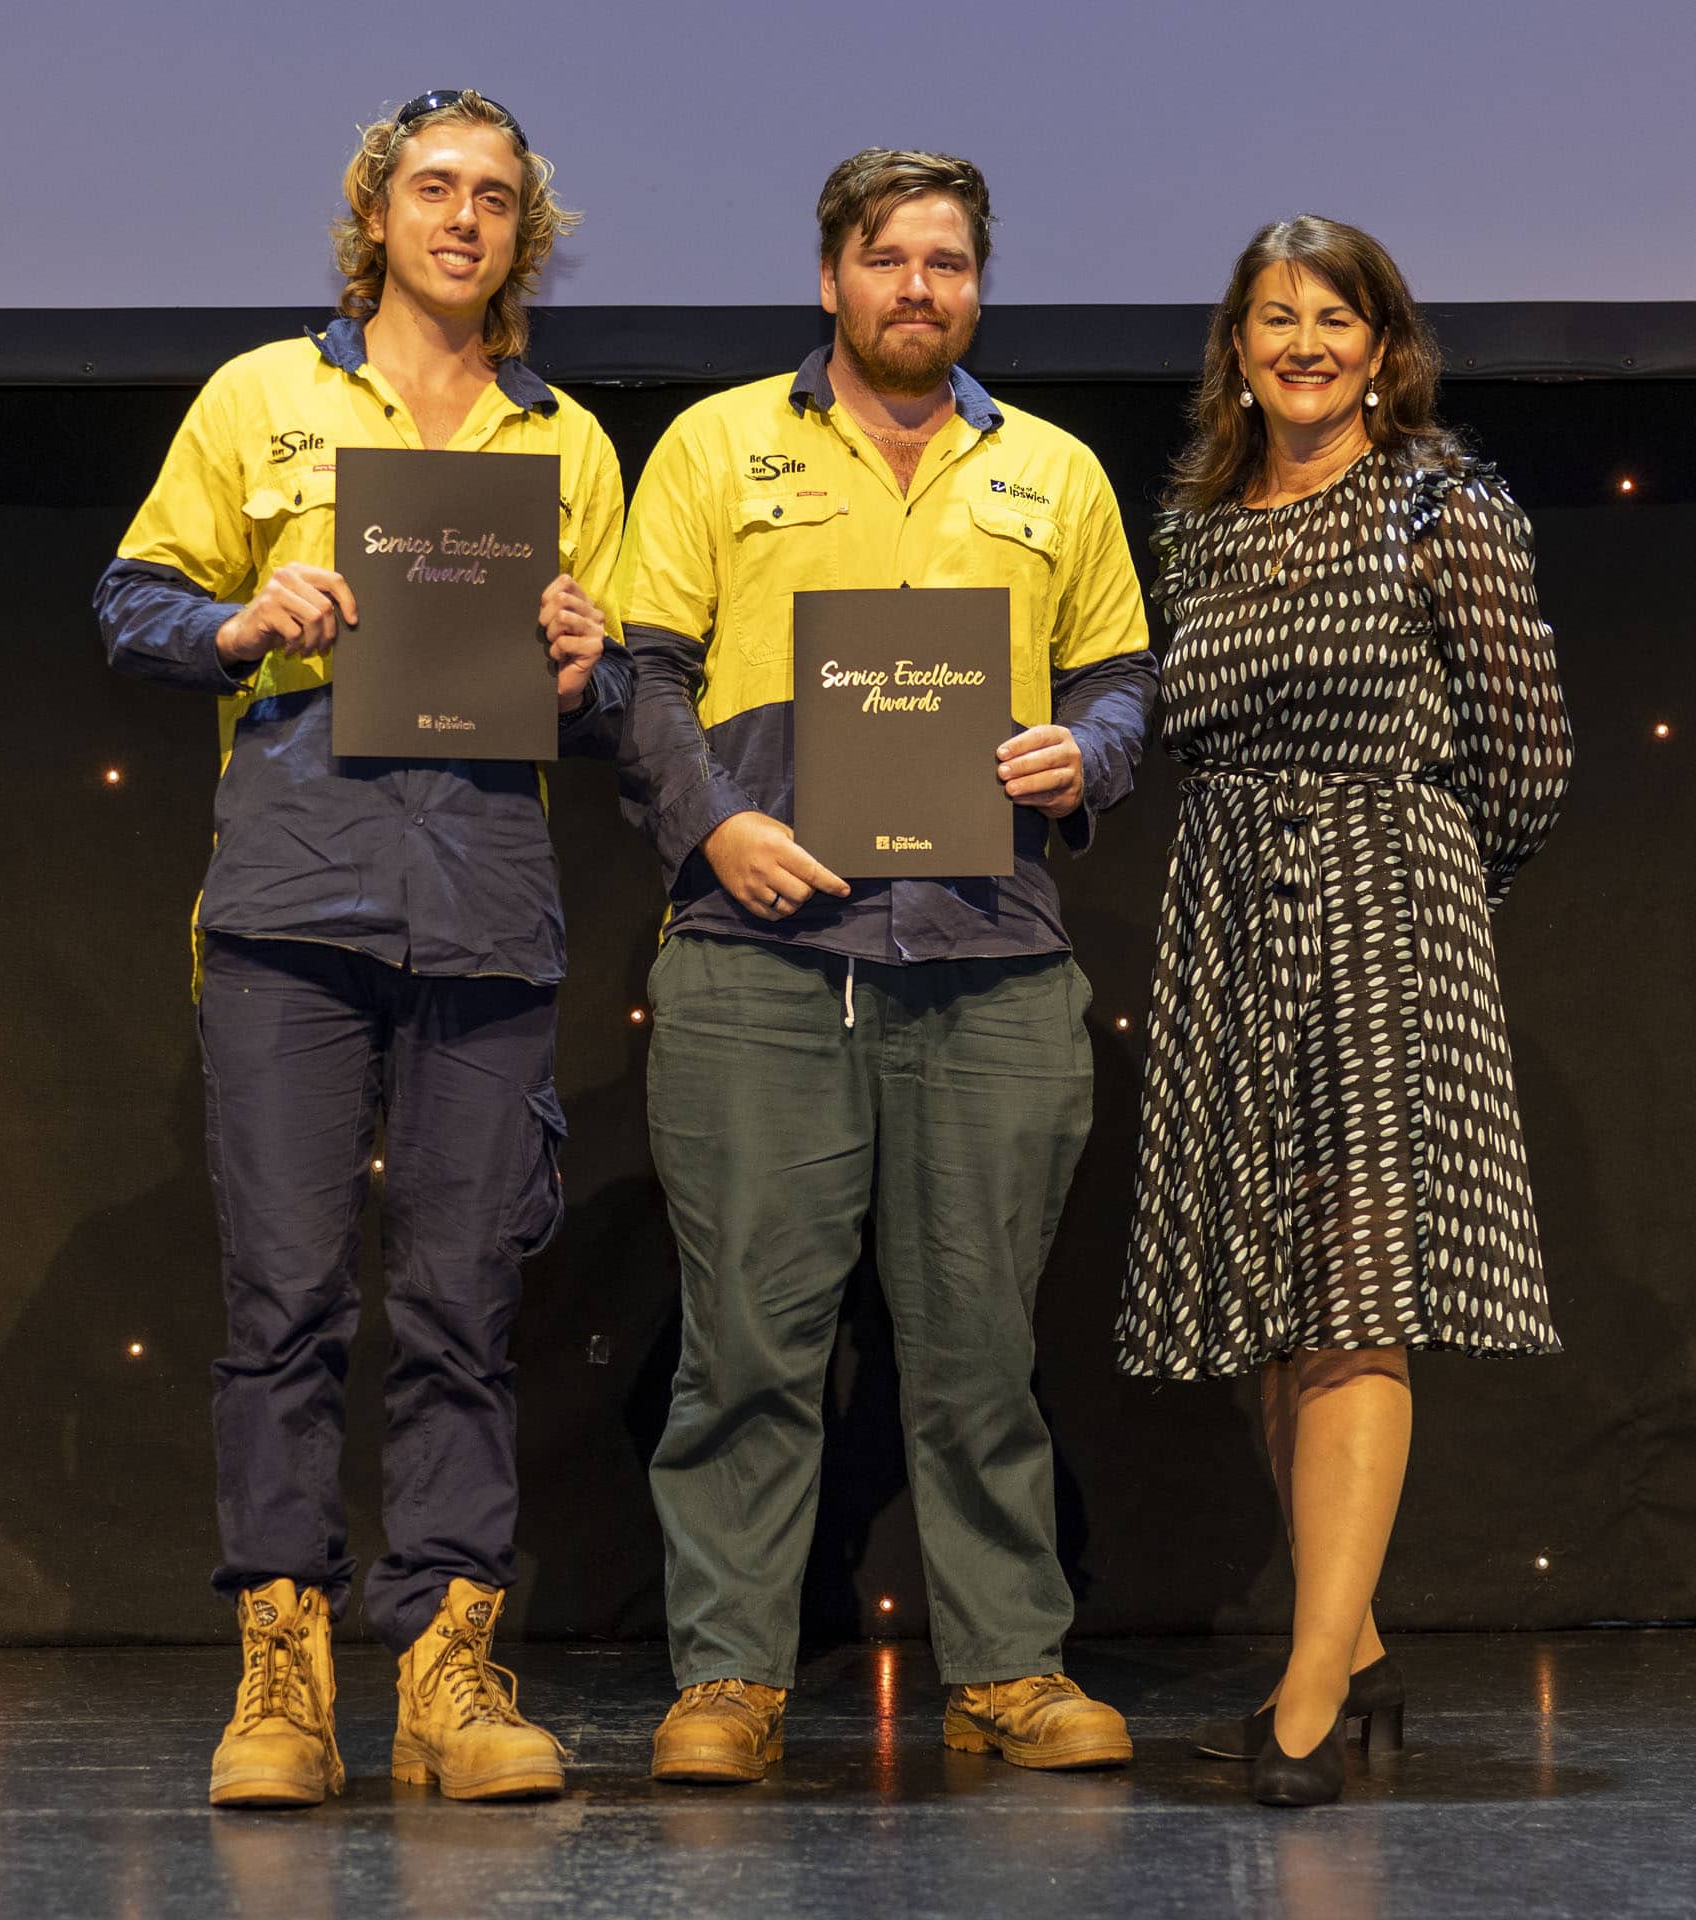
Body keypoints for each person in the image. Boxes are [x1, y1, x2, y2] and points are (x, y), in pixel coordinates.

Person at [94, 89, 632, 1809]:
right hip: (290, 906)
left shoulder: (568, 443)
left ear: (520, 231)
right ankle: (281, 1678)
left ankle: (451, 1675)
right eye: (431, 188)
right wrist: (243, 618)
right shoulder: (264, 395)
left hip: (482, 908)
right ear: (374, 213)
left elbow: (616, 696)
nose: (461, 218)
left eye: (492, 197)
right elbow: (135, 602)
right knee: (285, 1305)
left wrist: (583, 662)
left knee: (466, 1303)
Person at [614, 148, 1157, 1783]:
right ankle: (728, 1677)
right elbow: (642, 677)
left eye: (947, 262)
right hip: (759, 959)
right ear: (831, 277)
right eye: (888, 259)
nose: (918, 287)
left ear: (975, 286)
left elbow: (1123, 679)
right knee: (746, 1348)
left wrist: (1091, 754)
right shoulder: (718, 445)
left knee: (981, 1344)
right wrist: (711, 827)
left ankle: (1008, 1669)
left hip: (989, 966)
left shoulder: (1051, 469)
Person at [1117, 215, 1572, 1806]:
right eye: (1270, 318)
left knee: (1355, 1294)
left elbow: (1527, 759)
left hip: (1389, 913)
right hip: (1231, 910)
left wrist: (1424, 888)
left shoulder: (1443, 502)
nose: (1299, 343)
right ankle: (1358, 1647)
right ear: (1233, 348)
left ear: (1383, 343)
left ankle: (1305, 1701)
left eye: (1331, 317)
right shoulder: (1197, 525)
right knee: (1262, 1291)